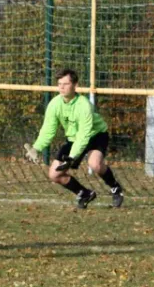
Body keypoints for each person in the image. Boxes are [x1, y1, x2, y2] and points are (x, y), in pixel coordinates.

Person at [24, 68, 124, 209]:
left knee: (95, 164)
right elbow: (48, 130)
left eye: (66, 84)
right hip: (74, 139)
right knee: (54, 174)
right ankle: (84, 193)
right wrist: (37, 147)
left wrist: (71, 157)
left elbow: (84, 135)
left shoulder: (84, 105)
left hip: (95, 135)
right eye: (59, 84)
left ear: (75, 85)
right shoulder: (55, 104)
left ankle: (115, 188)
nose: (62, 87)